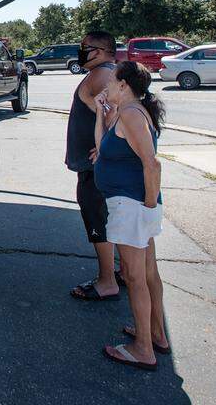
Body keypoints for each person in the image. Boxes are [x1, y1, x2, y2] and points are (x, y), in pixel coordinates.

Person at [92, 61, 170, 371]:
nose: (106, 86)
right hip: (133, 205)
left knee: (135, 277)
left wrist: (148, 207)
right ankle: (155, 333)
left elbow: (152, 165)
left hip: (132, 206)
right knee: (147, 273)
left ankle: (143, 349)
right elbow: (103, 148)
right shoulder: (124, 113)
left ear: (124, 85)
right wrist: (101, 111)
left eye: (111, 81)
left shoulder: (132, 115)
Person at [66, 31, 122, 301]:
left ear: (99, 51)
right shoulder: (109, 72)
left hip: (94, 169)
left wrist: (105, 147)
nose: (81, 52)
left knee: (97, 219)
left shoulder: (101, 74)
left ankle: (107, 280)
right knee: (107, 217)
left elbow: (114, 113)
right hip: (96, 165)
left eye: (84, 47)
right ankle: (118, 272)